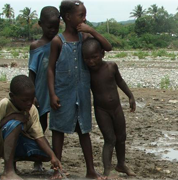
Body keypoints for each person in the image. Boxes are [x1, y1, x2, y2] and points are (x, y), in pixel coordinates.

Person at [47, 0, 112, 179]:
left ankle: (90, 170)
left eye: (85, 15)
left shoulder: (85, 38)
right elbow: (50, 68)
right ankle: (57, 170)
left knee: (84, 131)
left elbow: (108, 47)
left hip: (82, 93)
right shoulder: (57, 41)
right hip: (62, 93)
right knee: (58, 131)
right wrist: (52, 94)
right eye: (81, 15)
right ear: (68, 17)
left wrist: (91, 30)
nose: (84, 18)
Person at [0, 75, 62, 180]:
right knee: (15, 125)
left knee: (46, 154)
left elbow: (39, 136)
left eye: (31, 99)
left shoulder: (32, 109)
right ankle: (8, 171)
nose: (29, 103)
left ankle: (13, 163)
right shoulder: (5, 104)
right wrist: (13, 117)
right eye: (24, 100)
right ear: (12, 96)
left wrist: (53, 157)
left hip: (15, 143)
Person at [82, 38, 136, 177]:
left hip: (116, 108)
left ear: (102, 54)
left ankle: (121, 164)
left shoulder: (111, 67)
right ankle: (107, 170)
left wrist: (130, 96)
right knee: (110, 139)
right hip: (101, 110)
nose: (91, 61)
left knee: (121, 137)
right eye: (87, 59)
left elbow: (120, 81)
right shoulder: (87, 73)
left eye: (94, 57)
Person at [28, 6, 60, 171]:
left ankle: (55, 159)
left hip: (56, 91)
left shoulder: (60, 42)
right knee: (40, 126)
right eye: (49, 27)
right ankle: (38, 160)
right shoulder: (36, 46)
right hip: (41, 92)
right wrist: (32, 94)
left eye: (56, 27)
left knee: (54, 126)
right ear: (40, 24)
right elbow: (32, 72)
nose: (53, 30)